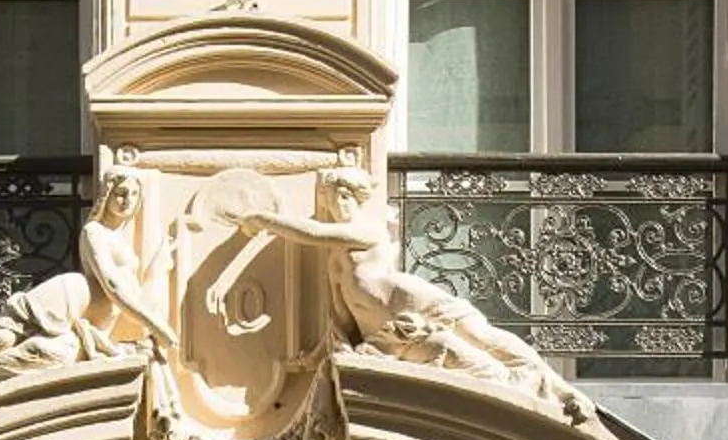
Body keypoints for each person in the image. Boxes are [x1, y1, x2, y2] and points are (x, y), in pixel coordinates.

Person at [230, 165, 558, 388]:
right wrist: (319, 356)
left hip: (416, 303)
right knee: (464, 351)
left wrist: (264, 219)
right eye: (332, 198)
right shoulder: (335, 257)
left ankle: (539, 375)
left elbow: (314, 232)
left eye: (345, 197)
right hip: (389, 329)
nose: (338, 205)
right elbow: (340, 316)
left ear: (356, 199)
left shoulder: (365, 231)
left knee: (480, 336)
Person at [0, 165, 178, 392]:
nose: (126, 200)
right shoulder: (94, 231)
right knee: (2, 338)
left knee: (48, 355)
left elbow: (135, 286)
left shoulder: (121, 238)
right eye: (120, 193)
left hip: (88, 324)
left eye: (133, 194)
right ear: (107, 195)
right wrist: (157, 326)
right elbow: (112, 286)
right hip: (69, 298)